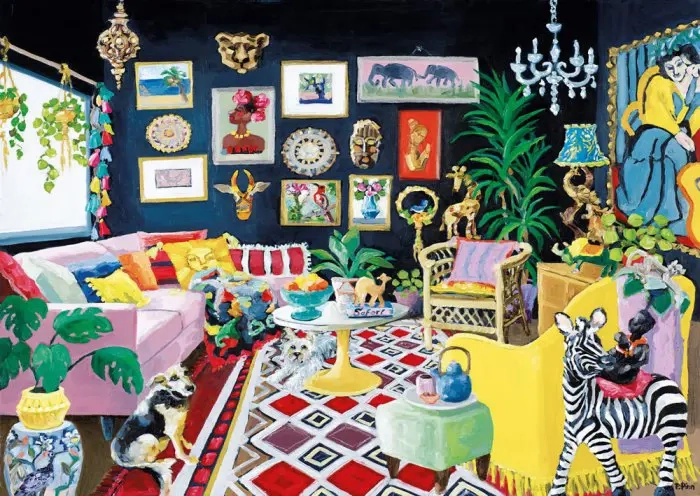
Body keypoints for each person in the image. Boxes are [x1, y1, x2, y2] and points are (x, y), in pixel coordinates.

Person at [616, 44, 700, 237]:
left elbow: (689, 117)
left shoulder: (689, 85)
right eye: (670, 67)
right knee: (673, 150)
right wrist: (678, 134)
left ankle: (677, 213)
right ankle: (658, 214)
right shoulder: (658, 82)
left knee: (678, 151)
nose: (676, 71)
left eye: (679, 65)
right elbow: (656, 114)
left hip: (674, 134)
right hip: (652, 133)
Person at [599, 309, 655, 384]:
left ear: (642, 328)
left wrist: (630, 366)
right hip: (617, 363)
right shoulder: (624, 338)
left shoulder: (643, 346)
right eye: (633, 321)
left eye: (635, 323)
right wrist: (611, 352)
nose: (631, 324)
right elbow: (618, 350)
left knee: (607, 371)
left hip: (627, 373)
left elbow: (645, 361)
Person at [222, 89, 269, 155]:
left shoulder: (259, 141)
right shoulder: (226, 140)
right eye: (235, 109)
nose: (231, 113)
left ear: (249, 115)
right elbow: (223, 156)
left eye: (239, 110)